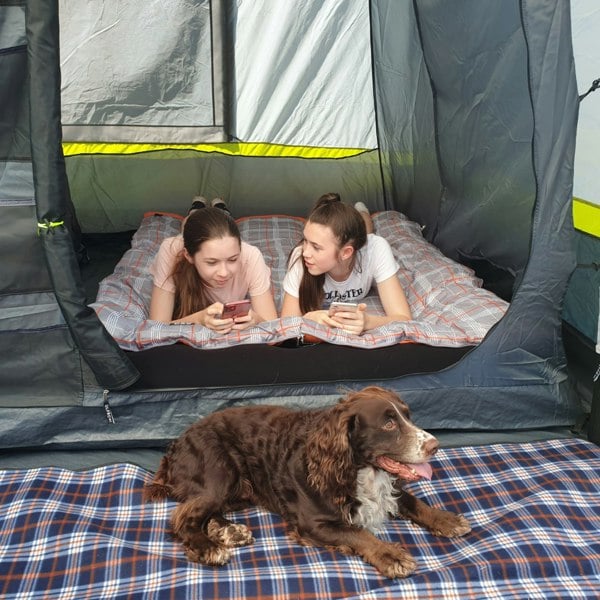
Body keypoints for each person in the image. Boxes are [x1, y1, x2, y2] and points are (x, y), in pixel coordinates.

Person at [281, 193, 412, 335]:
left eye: (316, 247)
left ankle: (363, 213)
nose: (306, 252)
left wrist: (367, 322)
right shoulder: (301, 258)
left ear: (345, 253)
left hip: (360, 247)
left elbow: (403, 318)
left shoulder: (376, 249)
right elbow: (286, 323)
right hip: (350, 249)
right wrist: (308, 319)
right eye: (305, 240)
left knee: (366, 232)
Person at [149, 198, 277, 334]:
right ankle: (197, 208)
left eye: (232, 260)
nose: (224, 272)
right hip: (184, 241)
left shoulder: (251, 256)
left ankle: (220, 208)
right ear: (188, 256)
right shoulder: (172, 251)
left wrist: (256, 319)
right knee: (188, 225)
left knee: (218, 224)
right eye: (212, 262)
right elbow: (156, 329)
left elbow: (273, 327)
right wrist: (198, 319)